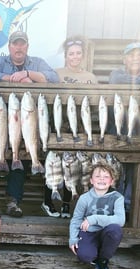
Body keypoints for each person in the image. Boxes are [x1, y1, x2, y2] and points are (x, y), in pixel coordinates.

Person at [0, 30, 59, 217]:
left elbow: (54, 77)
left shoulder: (37, 62)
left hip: (31, 122)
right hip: (2, 122)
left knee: (32, 156)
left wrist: (28, 75)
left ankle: (25, 202)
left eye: (22, 44)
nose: (19, 47)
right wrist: (12, 78)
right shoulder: (0, 62)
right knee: (6, 156)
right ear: (9, 47)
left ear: (27, 46)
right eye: (15, 44)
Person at [41, 36, 99, 219]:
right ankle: (48, 201)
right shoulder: (56, 73)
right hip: (58, 124)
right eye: (71, 53)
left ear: (83, 55)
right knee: (53, 163)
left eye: (78, 53)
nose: (75, 57)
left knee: (72, 166)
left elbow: (95, 103)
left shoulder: (91, 77)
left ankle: (66, 204)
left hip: (80, 126)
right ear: (66, 55)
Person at [108, 42, 140, 216]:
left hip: (139, 133)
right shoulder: (116, 74)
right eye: (131, 55)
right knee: (116, 170)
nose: (135, 58)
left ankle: (127, 208)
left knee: (135, 172)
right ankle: (115, 209)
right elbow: (118, 81)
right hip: (116, 131)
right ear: (124, 59)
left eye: (139, 55)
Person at [69, 162, 125, 269]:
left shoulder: (117, 197)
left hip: (106, 232)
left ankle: (103, 261)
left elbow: (120, 220)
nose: (101, 179)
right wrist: (72, 238)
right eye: (98, 176)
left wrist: (93, 218)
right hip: (88, 233)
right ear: (91, 180)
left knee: (116, 229)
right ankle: (94, 253)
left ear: (112, 181)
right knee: (85, 255)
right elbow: (76, 219)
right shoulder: (84, 198)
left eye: (106, 177)